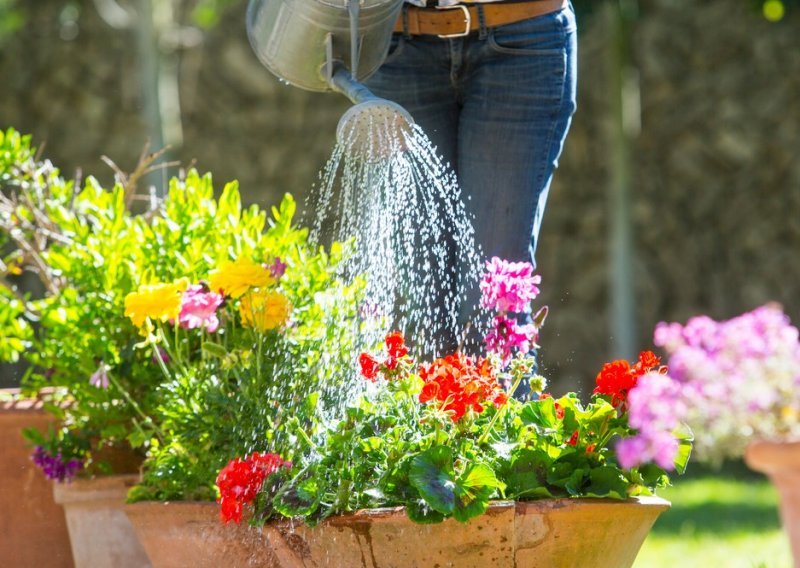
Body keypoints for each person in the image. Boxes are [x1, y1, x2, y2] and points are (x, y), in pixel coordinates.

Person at [365, 0, 578, 354]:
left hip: (520, 38)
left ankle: (501, 409)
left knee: (494, 303)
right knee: (424, 313)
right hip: (397, 46)